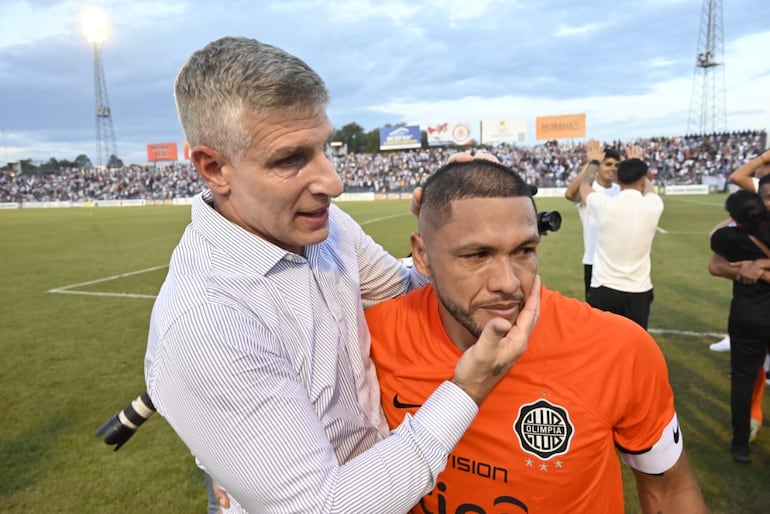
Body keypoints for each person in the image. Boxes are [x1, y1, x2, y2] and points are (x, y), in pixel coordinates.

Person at [144, 36, 540, 513]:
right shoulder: (208, 320)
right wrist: (467, 390)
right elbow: (323, 508)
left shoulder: (322, 229)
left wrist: (448, 229)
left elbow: (410, 295)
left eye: (324, 148)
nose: (332, 182)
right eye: (291, 159)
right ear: (214, 168)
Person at [367, 159, 706, 513]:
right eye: (477, 255)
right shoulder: (373, 337)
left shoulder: (617, 348)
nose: (508, 283)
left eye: (524, 251)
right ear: (421, 256)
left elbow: (669, 491)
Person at [710, 189, 770, 463]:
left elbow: (714, 240)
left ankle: (740, 445)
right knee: (745, 380)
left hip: (748, 316)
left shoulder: (729, 238)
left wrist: (758, 266)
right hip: (751, 317)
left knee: (743, 380)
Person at [579, 152, 663, 329]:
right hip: (639, 290)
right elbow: (647, 187)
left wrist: (594, 162)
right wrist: (637, 163)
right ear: (641, 180)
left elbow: (584, 185)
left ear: (617, 180)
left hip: (604, 288)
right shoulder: (654, 205)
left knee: (601, 343)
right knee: (634, 345)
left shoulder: (604, 205)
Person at [711, 154, 770, 352]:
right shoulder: (762, 189)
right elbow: (715, 266)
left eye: (762, 166)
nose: (757, 170)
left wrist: (760, 267)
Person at [563, 139, 620, 300]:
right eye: (608, 164)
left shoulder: (621, 190)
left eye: (616, 165)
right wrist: (590, 163)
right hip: (594, 261)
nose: (613, 169)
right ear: (598, 166)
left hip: (618, 261)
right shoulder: (588, 189)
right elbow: (570, 194)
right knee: (597, 314)